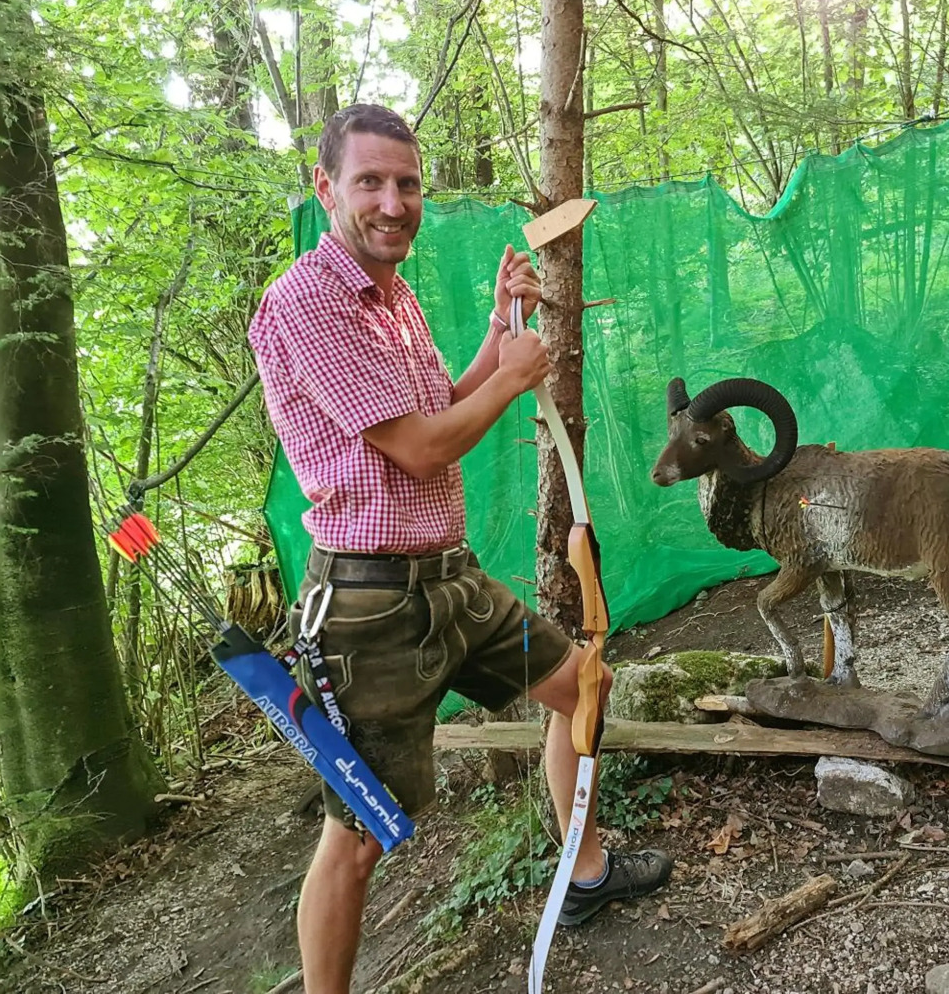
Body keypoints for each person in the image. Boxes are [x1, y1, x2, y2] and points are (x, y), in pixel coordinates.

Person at [248, 103, 672, 994]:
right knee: (357, 835)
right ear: (326, 188)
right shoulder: (306, 303)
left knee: (579, 686)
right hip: (369, 609)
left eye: (407, 183)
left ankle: (585, 874)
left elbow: (440, 402)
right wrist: (520, 373)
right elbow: (422, 446)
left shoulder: (391, 298)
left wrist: (496, 330)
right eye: (370, 181)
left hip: (451, 581)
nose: (394, 202)